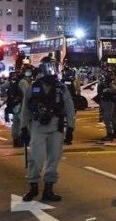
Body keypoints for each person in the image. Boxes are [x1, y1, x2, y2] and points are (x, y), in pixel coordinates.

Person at [19, 56, 75, 202]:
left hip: (56, 126)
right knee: (36, 158)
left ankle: (49, 189)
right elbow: (26, 109)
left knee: (54, 158)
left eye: (54, 67)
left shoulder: (61, 88)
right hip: (38, 126)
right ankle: (33, 187)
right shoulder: (34, 87)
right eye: (50, 67)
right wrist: (23, 128)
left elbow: (69, 108)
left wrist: (70, 128)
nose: (53, 70)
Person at [4, 71, 24, 147]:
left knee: (15, 123)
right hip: (19, 105)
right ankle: (19, 139)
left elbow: (4, 89)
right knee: (20, 122)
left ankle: (16, 140)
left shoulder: (12, 84)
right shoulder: (22, 84)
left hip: (15, 106)